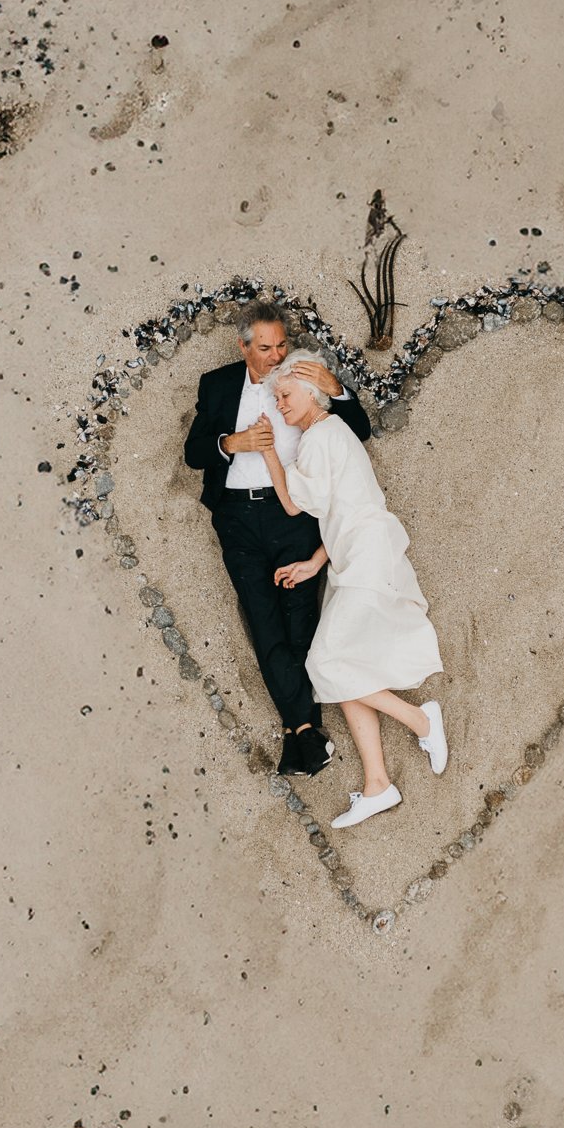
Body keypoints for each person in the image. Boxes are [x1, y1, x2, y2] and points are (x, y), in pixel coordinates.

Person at [182, 303, 372, 777]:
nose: (275, 355)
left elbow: (359, 431)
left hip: (295, 514)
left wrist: (338, 390)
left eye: (281, 344)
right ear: (242, 347)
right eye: (264, 347)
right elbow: (193, 453)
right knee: (262, 618)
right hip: (237, 516)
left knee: (299, 620)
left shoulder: (300, 376)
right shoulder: (218, 384)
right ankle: (304, 728)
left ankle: (299, 735)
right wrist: (232, 443)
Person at [258, 352, 447, 829]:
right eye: (277, 398)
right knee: (344, 670)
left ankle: (421, 720)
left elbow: (294, 504)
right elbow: (344, 507)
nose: (280, 405)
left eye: (285, 395)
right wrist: (315, 563)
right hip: (354, 556)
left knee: (324, 663)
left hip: (365, 557)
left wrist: (267, 455)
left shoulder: (319, 436)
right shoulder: (330, 434)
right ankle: (377, 784)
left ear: (309, 389)